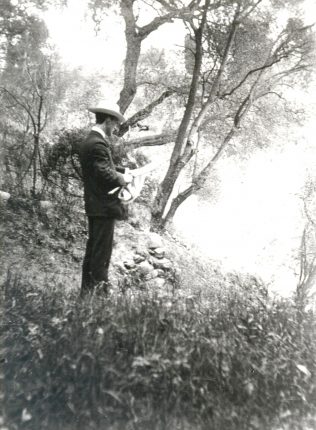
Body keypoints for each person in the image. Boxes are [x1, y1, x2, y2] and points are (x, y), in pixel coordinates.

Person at [78, 102, 132, 297]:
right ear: (108, 120)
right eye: (115, 124)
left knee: (93, 252)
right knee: (101, 255)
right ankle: (99, 298)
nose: (116, 128)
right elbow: (104, 175)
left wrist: (124, 171)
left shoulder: (90, 141)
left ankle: (86, 295)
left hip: (95, 205)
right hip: (103, 206)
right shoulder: (98, 143)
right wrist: (123, 179)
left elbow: (100, 166)